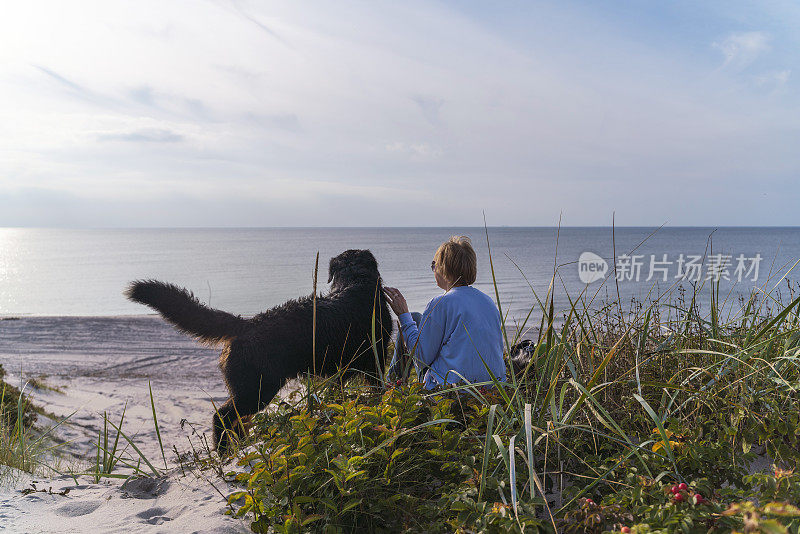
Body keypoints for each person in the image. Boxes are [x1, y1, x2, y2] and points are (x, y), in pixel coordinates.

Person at [383, 236, 506, 389]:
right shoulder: (488, 302)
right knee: (417, 318)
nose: (433, 269)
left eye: (434, 265)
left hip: (452, 389)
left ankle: (392, 386)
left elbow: (421, 357)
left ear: (443, 267)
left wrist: (403, 315)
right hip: (492, 387)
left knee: (411, 319)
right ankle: (392, 384)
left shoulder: (441, 303)